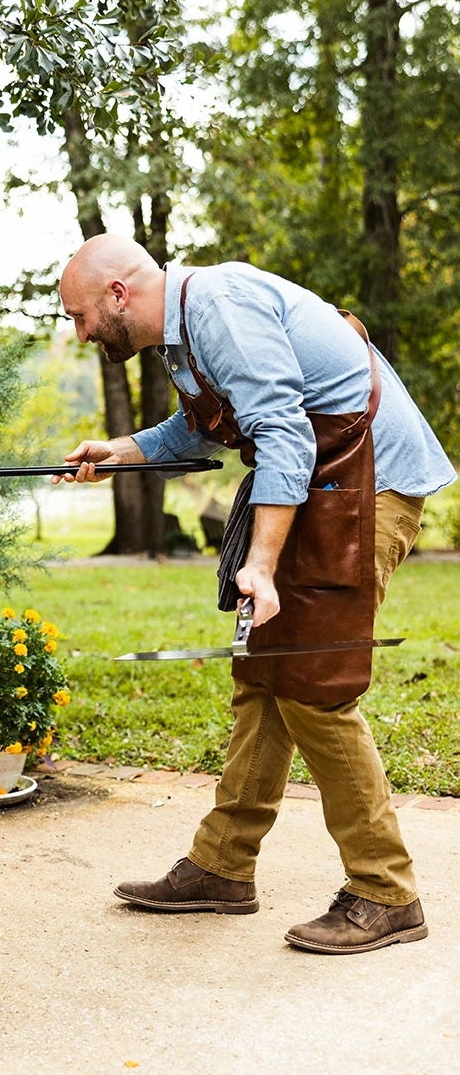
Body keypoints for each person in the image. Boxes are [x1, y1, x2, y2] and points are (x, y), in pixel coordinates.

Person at [54, 233, 455, 955]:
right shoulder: (183, 336)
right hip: (322, 487)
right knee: (263, 679)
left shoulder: (218, 306)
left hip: (367, 489)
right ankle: (221, 866)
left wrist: (260, 565)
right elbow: (202, 427)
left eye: (80, 317)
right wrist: (122, 451)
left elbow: (282, 433)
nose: (81, 334)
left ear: (117, 293)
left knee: (314, 686)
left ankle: (385, 892)